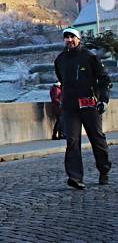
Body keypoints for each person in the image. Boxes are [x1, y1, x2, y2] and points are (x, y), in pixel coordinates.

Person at [54, 27, 112, 189]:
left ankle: (103, 170)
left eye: (72, 37)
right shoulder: (60, 60)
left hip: (89, 103)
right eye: (66, 38)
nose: (69, 40)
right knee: (72, 141)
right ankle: (75, 177)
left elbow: (104, 79)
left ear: (78, 39)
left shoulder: (90, 57)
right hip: (69, 106)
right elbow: (62, 80)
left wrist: (103, 99)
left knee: (97, 138)